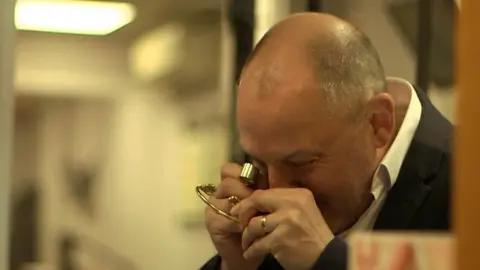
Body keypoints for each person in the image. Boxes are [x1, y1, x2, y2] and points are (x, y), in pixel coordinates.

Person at [201, 12, 451, 270]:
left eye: (301, 162)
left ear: (377, 124)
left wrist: (325, 260)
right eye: (258, 163)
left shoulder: (466, 185)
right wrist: (236, 266)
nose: (275, 191)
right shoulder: (264, 210)